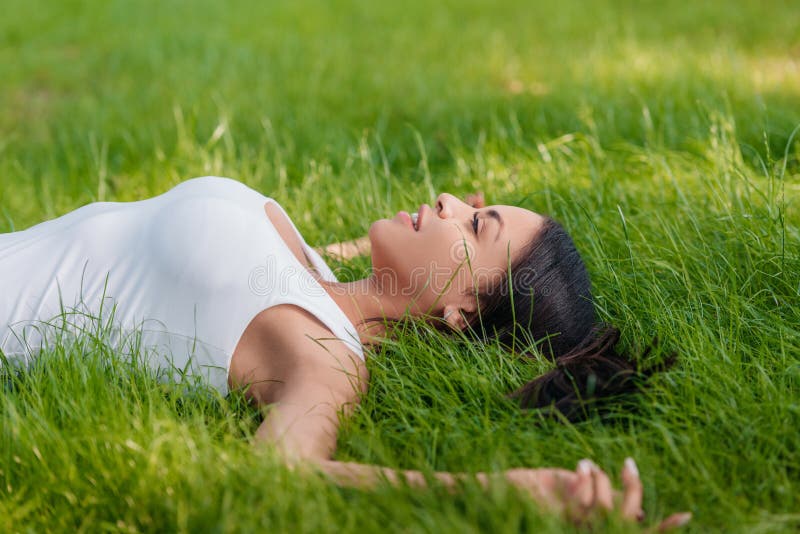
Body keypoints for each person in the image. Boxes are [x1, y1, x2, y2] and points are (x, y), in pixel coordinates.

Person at [0, 177, 688, 528]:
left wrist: (503, 491)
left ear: (460, 313)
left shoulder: (325, 355)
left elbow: (281, 471)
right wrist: (392, 255)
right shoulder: (319, 279)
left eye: (476, 224)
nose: (447, 199)